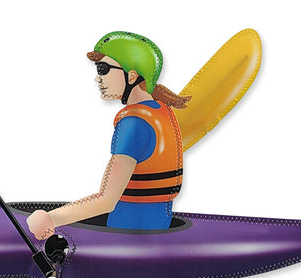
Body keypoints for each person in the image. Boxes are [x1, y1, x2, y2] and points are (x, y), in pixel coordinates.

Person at [27, 31, 191, 240]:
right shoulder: (161, 111)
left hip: (125, 235)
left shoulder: (134, 124)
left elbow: (107, 200)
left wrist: (50, 219)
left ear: (131, 76)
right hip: (158, 226)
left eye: (103, 69)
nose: (98, 78)